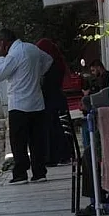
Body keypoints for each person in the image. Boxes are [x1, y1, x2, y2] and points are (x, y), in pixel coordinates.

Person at [0, 28, 52, 184]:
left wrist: (0, 58)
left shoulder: (13, 55)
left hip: (19, 104)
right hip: (36, 102)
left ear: (3, 43)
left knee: (19, 142)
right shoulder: (32, 48)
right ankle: (39, 172)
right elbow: (48, 60)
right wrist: (38, 74)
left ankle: (20, 173)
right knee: (37, 141)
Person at [36, 39, 71, 167]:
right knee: (59, 128)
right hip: (57, 99)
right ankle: (63, 155)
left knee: (52, 129)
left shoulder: (50, 65)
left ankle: (53, 156)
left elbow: (47, 84)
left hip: (50, 100)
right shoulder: (58, 63)